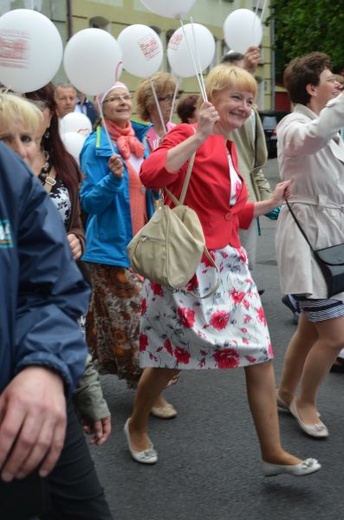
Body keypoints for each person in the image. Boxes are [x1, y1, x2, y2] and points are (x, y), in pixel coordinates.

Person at [124, 64, 321, 478]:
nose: (245, 107)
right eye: (236, 97)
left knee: (260, 352)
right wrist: (197, 135)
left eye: (250, 100)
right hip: (186, 267)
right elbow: (152, 174)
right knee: (167, 358)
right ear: (210, 97)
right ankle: (137, 424)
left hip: (230, 267)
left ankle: (272, 452)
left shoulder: (231, 147)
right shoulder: (185, 133)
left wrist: (267, 204)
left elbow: (226, 212)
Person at [0, 140, 112, 518]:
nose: (20, 150)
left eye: (26, 138)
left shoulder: (6, 173)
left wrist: (44, 367)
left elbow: (44, 281)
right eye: (7, 138)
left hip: (27, 390)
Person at [80, 81, 175, 418]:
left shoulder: (142, 141)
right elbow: (88, 201)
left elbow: (152, 186)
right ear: (100, 107)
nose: (121, 101)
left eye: (124, 96)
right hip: (111, 248)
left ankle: (138, 380)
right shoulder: (95, 146)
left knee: (148, 316)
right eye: (112, 98)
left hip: (145, 245)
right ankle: (147, 391)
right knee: (135, 320)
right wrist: (113, 180)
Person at [275, 52, 344, 438]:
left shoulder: (329, 129)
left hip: (330, 237)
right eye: (331, 80)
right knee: (335, 336)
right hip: (307, 239)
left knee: (309, 328)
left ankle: (286, 392)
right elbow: (312, 137)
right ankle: (305, 401)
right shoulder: (293, 125)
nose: (337, 85)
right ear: (311, 88)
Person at [221, 46, 273, 281]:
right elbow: (257, 159)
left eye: (248, 99)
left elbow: (256, 162)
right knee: (237, 263)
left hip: (243, 198)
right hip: (228, 196)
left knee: (239, 265)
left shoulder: (248, 114)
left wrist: (265, 195)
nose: (243, 104)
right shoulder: (212, 112)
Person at [136, 71, 178, 152]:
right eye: (167, 98)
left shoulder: (176, 130)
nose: (173, 103)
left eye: (173, 97)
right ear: (150, 103)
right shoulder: (139, 133)